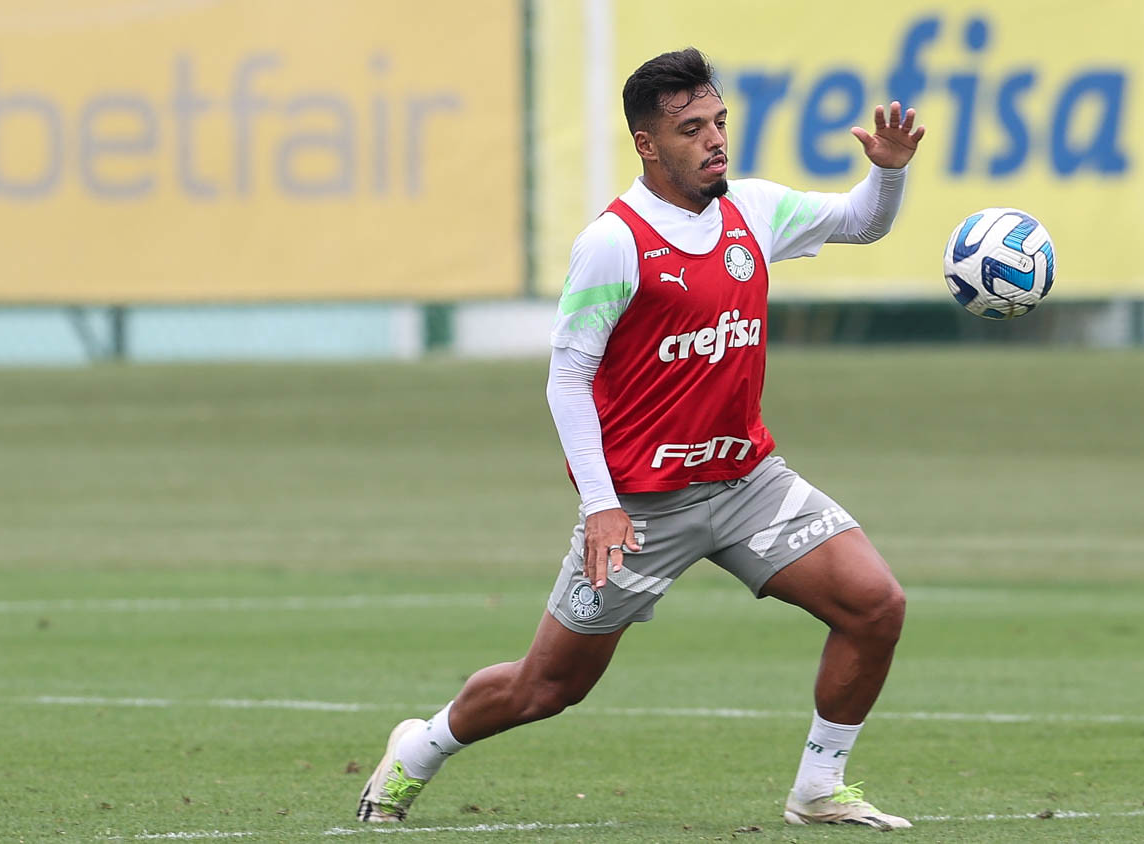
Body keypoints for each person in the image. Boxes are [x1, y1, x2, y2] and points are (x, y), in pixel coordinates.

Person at [356, 47, 924, 830]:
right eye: (691, 129)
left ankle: (818, 788)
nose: (715, 139)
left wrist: (889, 171)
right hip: (643, 506)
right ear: (648, 145)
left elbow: (864, 222)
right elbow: (567, 381)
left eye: (719, 121)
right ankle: (417, 751)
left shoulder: (751, 212)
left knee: (875, 605)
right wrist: (600, 506)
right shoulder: (613, 244)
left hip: (745, 481)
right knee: (549, 687)